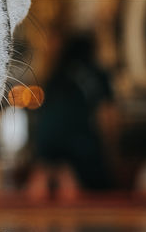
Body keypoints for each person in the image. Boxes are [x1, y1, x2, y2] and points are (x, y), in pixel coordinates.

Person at [25, 31, 116, 200]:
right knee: (81, 192)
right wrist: (111, 153)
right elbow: (107, 118)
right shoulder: (96, 74)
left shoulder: (54, 73)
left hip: (47, 144)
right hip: (80, 148)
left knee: (40, 188)